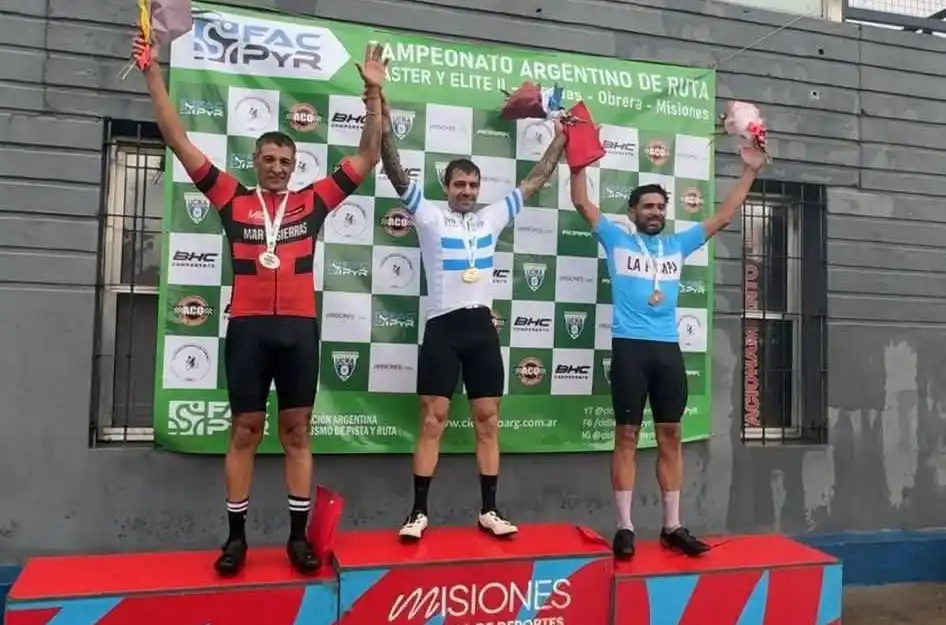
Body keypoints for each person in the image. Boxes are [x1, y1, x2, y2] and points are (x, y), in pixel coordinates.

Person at [135, 37, 386, 575]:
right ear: (255, 162)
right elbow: (177, 139)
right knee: (245, 430)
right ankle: (236, 539)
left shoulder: (313, 200)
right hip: (248, 329)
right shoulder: (232, 197)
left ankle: (297, 538)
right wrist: (153, 74)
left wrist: (372, 94)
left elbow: (367, 155)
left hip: (299, 330)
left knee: (297, 432)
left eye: (285, 161)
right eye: (268, 159)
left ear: (295, 166)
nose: (276, 167)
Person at [378, 94, 566, 541]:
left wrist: (560, 137)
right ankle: (418, 513)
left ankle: (489, 510)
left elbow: (536, 179)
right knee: (432, 421)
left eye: (472, 185)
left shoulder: (491, 219)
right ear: (446, 187)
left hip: (481, 329)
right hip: (442, 327)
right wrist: (382, 121)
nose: (466, 191)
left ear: (480, 189)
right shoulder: (428, 216)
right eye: (459, 184)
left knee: (488, 421)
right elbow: (395, 170)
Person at [570, 144, 766, 559]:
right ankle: (624, 527)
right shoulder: (617, 239)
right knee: (626, 436)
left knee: (671, 436)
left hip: (667, 351)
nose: (656, 212)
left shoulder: (678, 244)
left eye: (661, 207)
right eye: (648, 206)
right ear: (633, 212)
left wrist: (750, 170)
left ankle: (671, 526)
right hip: (630, 348)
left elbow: (723, 216)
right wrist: (578, 163)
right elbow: (583, 203)